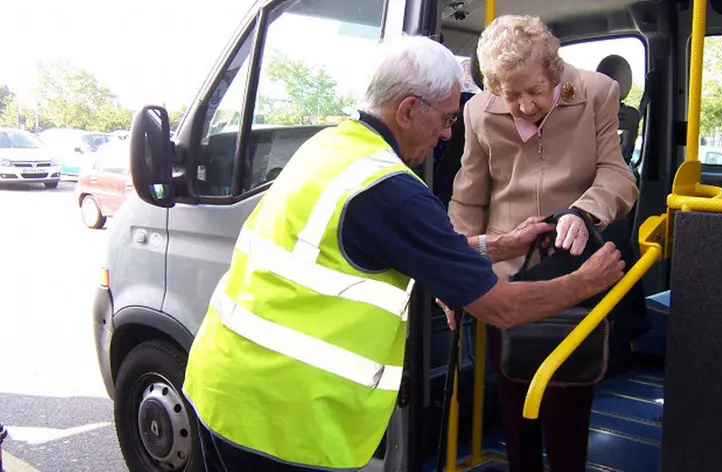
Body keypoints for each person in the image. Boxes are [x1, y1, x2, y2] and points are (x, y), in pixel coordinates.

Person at [181, 34, 626, 472]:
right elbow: (502, 308)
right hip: (284, 419)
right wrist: (588, 281)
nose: (447, 135)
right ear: (410, 109)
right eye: (447, 120)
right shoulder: (396, 194)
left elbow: (391, 241)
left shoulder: (331, 146)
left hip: (220, 385)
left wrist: (501, 243)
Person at [446, 15, 640, 472]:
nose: (524, 105)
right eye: (510, 95)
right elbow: (468, 199)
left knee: (568, 403)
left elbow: (616, 174)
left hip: (574, 269)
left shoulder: (597, 93)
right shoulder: (478, 112)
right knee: (513, 401)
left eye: (534, 90)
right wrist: (454, 269)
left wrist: (583, 210)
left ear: (553, 70)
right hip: (506, 278)